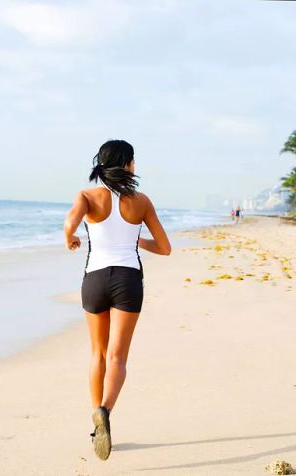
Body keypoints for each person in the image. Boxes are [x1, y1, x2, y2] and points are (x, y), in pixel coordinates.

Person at [63, 139, 171, 461]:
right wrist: (137, 240)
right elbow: (165, 248)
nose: (135, 166)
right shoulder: (142, 202)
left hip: (94, 280)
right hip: (127, 280)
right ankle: (105, 411)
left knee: (97, 352)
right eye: (133, 161)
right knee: (118, 358)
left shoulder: (87, 195)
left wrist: (71, 236)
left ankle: (98, 424)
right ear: (126, 164)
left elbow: (70, 222)